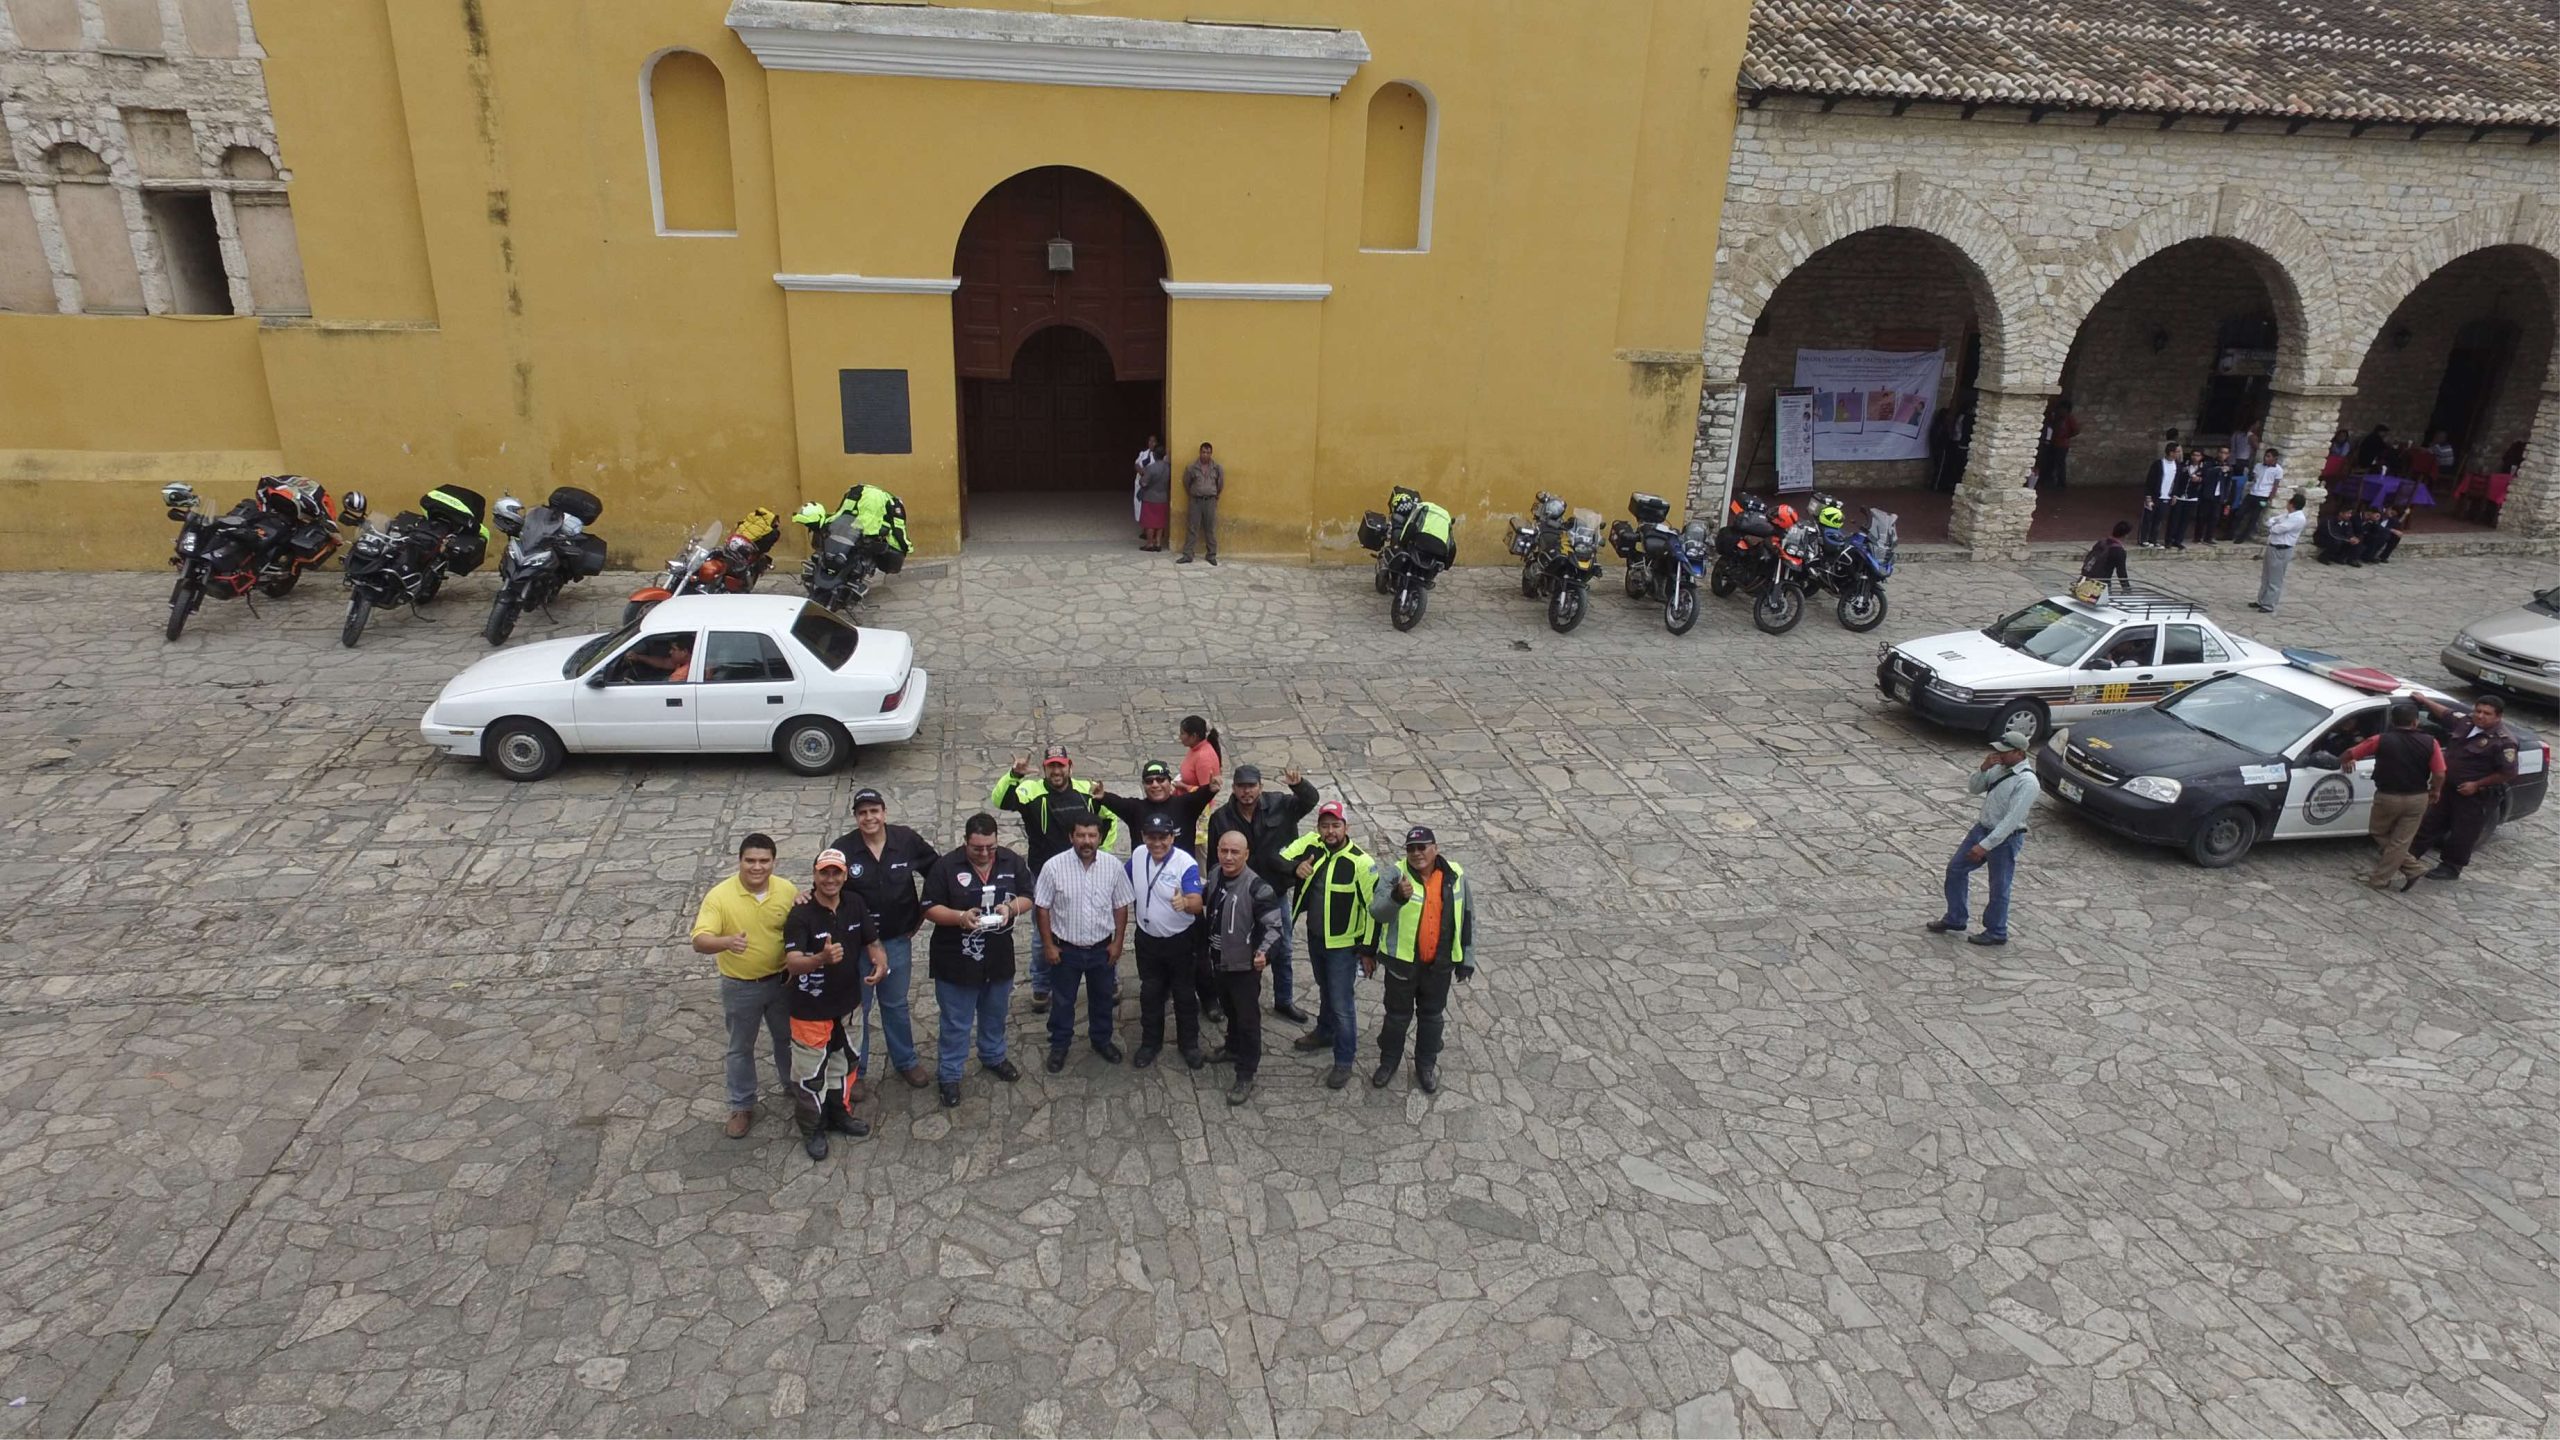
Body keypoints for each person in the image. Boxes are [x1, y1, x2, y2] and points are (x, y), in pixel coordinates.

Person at [826, 788, 939, 1090]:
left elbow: (937, 872)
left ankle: (906, 1062)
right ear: (855, 817)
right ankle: (856, 1072)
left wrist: (924, 909)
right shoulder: (843, 849)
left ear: (884, 813)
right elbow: (825, 886)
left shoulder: (906, 840)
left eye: (874, 811)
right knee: (857, 1009)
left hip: (897, 940)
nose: (869, 818)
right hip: (857, 946)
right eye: (862, 813)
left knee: (895, 1004)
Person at [920, 814, 1034, 1107]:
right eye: (977, 848)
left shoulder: (1010, 861)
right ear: (965, 842)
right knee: (956, 1022)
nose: (984, 853)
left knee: (995, 1013)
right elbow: (929, 907)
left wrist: (1010, 909)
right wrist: (960, 917)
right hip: (955, 959)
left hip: (998, 956)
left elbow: (1028, 895)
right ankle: (949, 1074)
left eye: (990, 847)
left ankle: (993, 1056)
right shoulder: (946, 866)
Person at [691, 833, 800, 1139]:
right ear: (739, 861)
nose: (757, 867)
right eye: (750, 860)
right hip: (741, 986)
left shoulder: (786, 890)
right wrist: (726, 942)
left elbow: (799, 923)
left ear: (774, 862)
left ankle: (794, 1086)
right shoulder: (720, 897)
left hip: (782, 981)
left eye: (764, 861)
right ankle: (742, 1105)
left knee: (787, 1039)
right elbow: (700, 940)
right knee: (740, 1047)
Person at [990, 747, 1115, 1011]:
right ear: (1045, 768)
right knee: (1042, 931)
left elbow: (1108, 819)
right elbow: (1000, 801)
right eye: (1051, 766)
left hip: (1086, 869)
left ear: (1070, 766)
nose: (1056, 771)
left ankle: (1109, 980)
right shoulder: (1030, 790)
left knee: (1099, 922)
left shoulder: (1087, 789)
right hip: (1044, 872)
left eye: (1060, 765)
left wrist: (1102, 854)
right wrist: (1014, 775)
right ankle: (1041, 986)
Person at [781, 850, 886, 1160]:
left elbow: (872, 941)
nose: (830, 879)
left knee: (845, 1064)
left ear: (845, 875)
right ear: (814, 875)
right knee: (810, 1075)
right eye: (824, 873)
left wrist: (880, 962)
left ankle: (839, 1114)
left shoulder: (855, 903)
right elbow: (792, 963)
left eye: (836, 872)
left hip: (848, 1005)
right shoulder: (800, 914)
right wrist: (821, 959)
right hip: (810, 1010)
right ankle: (812, 1128)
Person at [1205, 763, 1320, 1023]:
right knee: (1230, 948)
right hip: (1237, 894)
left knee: (1283, 947)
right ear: (1233, 788)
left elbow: (1310, 800)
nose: (1246, 792)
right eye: (1241, 786)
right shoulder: (1221, 818)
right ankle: (1229, 1001)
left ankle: (1284, 1000)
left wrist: (1298, 785)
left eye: (1251, 786)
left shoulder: (1281, 804)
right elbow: (1214, 859)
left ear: (1261, 786)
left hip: (1274, 889)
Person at [1278, 801, 1380, 1090]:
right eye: (1325, 826)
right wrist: (1295, 867)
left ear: (1347, 827)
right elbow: (1280, 857)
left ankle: (1344, 1060)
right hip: (1315, 938)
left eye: (1336, 825)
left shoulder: (1361, 863)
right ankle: (1325, 1032)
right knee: (1325, 989)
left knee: (1342, 1004)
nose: (1330, 831)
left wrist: (1368, 951)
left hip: (1344, 947)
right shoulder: (1313, 845)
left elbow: (1374, 912)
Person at [1366, 825, 1474, 1094]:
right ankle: (1388, 1062)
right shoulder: (1395, 874)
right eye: (1411, 848)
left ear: (1435, 849)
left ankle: (1425, 1065)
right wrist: (1396, 897)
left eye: (1422, 847)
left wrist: (1467, 958)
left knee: (1432, 1018)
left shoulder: (1455, 875)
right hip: (1401, 965)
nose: (1416, 853)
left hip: (1439, 965)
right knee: (1396, 1018)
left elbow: (1467, 916)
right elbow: (1377, 912)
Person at [1032, 815, 1135, 1071]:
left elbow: (1121, 905)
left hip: (1102, 949)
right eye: (1081, 835)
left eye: (1092, 836)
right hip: (1065, 950)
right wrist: (1048, 945)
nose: (1086, 841)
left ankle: (1101, 1040)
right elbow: (1042, 908)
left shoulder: (1113, 866)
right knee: (1063, 1001)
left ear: (1100, 838)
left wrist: (1118, 942)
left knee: (1102, 999)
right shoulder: (1053, 867)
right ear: (1071, 837)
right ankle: (1059, 1045)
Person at [1925, 729, 2036, 947]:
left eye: (2004, 752)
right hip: (1982, 828)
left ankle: (1997, 930)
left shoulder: (2027, 782)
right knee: (1956, 869)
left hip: (2004, 839)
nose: (1999, 755)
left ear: (2019, 753)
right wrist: (1983, 769)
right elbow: (1974, 789)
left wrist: (1985, 846)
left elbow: (2011, 820)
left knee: (1999, 886)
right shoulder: (1998, 769)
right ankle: (1956, 917)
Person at [1200, 830, 1286, 1105]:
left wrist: (1264, 954)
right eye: (1223, 850)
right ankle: (1232, 1047)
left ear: (1246, 854)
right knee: (1229, 1009)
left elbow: (1274, 927)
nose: (1228, 857)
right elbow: (1205, 898)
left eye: (1234, 852)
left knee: (1248, 1021)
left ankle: (1246, 1073)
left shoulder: (1258, 888)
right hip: (1218, 960)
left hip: (1244, 967)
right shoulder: (1215, 874)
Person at [2405, 694, 2522, 886]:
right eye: (2478, 711)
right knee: (2430, 822)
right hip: (2449, 787)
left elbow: (2508, 772)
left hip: (2475, 795)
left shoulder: (2504, 741)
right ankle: (2409, 856)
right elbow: (2445, 713)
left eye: (2487, 713)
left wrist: (2477, 784)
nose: (2480, 716)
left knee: (2463, 832)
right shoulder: (2466, 723)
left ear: (2498, 717)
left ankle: (2451, 867)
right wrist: (2424, 701)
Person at [1126, 812, 1208, 1070]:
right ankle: (1150, 1043)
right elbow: (1122, 879)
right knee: (1150, 993)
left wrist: (1185, 902)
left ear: (1172, 837)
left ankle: (1189, 1045)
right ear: (1143, 837)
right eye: (1152, 837)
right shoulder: (1138, 855)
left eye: (1163, 837)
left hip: (1179, 942)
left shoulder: (1185, 863)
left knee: (1184, 994)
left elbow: (1197, 902)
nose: (1157, 843)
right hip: (1147, 940)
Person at [2335, 702, 2444, 890]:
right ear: (2415, 722)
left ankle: (2386, 878)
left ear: (2392, 721)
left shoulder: (2380, 740)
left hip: (2388, 797)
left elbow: (2350, 753)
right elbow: (2440, 773)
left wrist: (2347, 760)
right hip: (2417, 798)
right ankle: (2409, 869)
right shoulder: (2431, 742)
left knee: (2379, 832)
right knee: (2401, 841)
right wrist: (2435, 790)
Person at [1095, 760, 1219, 853]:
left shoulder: (1186, 805)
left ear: (1170, 782)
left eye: (1160, 780)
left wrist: (1210, 789)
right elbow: (1116, 802)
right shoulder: (1135, 809)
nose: (1155, 785)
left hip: (1180, 876)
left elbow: (1202, 794)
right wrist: (1103, 796)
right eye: (1149, 781)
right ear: (1144, 785)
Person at [2251, 493, 2307, 613]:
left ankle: (2268, 604)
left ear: (2292, 504)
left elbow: (2278, 529)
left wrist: (2273, 526)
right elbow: (2272, 520)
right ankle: (2261, 600)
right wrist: (2273, 523)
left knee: (2275, 578)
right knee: (2266, 576)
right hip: (2272, 547)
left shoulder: (2298, 518)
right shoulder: (2288, 515)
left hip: (2282, 549)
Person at [1176, 441, 1224, 565]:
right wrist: (1193, 493)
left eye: (1208, 452)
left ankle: (1211, 555)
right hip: (1195, 501)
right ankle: (1188, 554)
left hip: (1210, 501)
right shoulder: (1191, 467)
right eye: (1203, 452)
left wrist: (1214, 494)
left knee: (1210, 528)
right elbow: (1186, 482)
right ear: (1200, 452)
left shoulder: (1217, 468)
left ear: (1211, 453)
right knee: (1192, 527)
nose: (1205, 455)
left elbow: (1220, 484)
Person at [2228, 445, 2282, 542]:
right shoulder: (2258, 466)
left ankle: (2242, 537)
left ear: (2274, 458)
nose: (2265, 458)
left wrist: (2270, 498)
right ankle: (2230, 534)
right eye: (2265, 456)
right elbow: (2253, 478)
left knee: (2253, 517)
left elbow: (2275, 485)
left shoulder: (2278, 470)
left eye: (2268, 456)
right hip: (2253, 493)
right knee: (2239, 513)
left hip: (2263, 496)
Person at [2138, 443, 2178, 548]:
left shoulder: (2177, 465)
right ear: (2171, 452)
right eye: (2177, 452)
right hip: (2154, 496)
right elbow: (2150, 480)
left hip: (2166, 497)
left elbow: (2176, 481)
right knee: (2148, 518)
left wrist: (2174, 494)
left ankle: (2153, 539)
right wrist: (2148, 496)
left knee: (2159, 520)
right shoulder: (2158, 464)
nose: (2179, 454)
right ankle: (2143, 539)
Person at [2192, 445, 2233, 547]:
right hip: (2207, 493)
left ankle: (2208, 537)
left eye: (2225, 453)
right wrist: (2219, 469)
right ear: (2218, 453)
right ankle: (2197, 537)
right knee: (2202, 516)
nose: (2223, 455)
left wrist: (2225, 496)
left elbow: (2228, 483)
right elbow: (2206, 474)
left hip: (2218, 495)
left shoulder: (2228, 467)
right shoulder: (2210, 464)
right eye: (2221, 452)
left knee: (2214, 517)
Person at [1135, 440, 1172, 553]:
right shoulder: (1168, 467)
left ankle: (1150, 543)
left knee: (1149, 522)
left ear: (1154, 455)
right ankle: (1158, 543)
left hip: (1150, 497)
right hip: (1163, 497)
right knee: (1160, 522)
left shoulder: (1151, 468)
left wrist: (1141, 481)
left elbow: (1143, 482)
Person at [2163, 448, 2204, 550]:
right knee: (2174, 519)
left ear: (2201, 457)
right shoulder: (2183, 466)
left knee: (2184, 521)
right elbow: (2177, 480)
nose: (2195, 457)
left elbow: (2207, 480)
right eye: (2193, 455)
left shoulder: (2203, 468)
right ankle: (2169, 540)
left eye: (2198, 455)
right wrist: (2174, 494)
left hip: (2192, 497)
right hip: (2179, 496)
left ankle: (2178, 540)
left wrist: (2200, 479)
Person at [1176, 715, 1223, 796]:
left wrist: (1184, 786)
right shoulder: (1195, 748)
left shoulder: (1203, 758)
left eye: (1182, 733)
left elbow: (1205, 792)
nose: (1180, 737)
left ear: (1194, 736)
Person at [2079, 523, 2130, 591]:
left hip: (2084, 580)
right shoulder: (2118, 551)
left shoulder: (2101, 542)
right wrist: (2127, 590)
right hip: (2100, 586)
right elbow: (2121, 573)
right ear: (2126, 535)